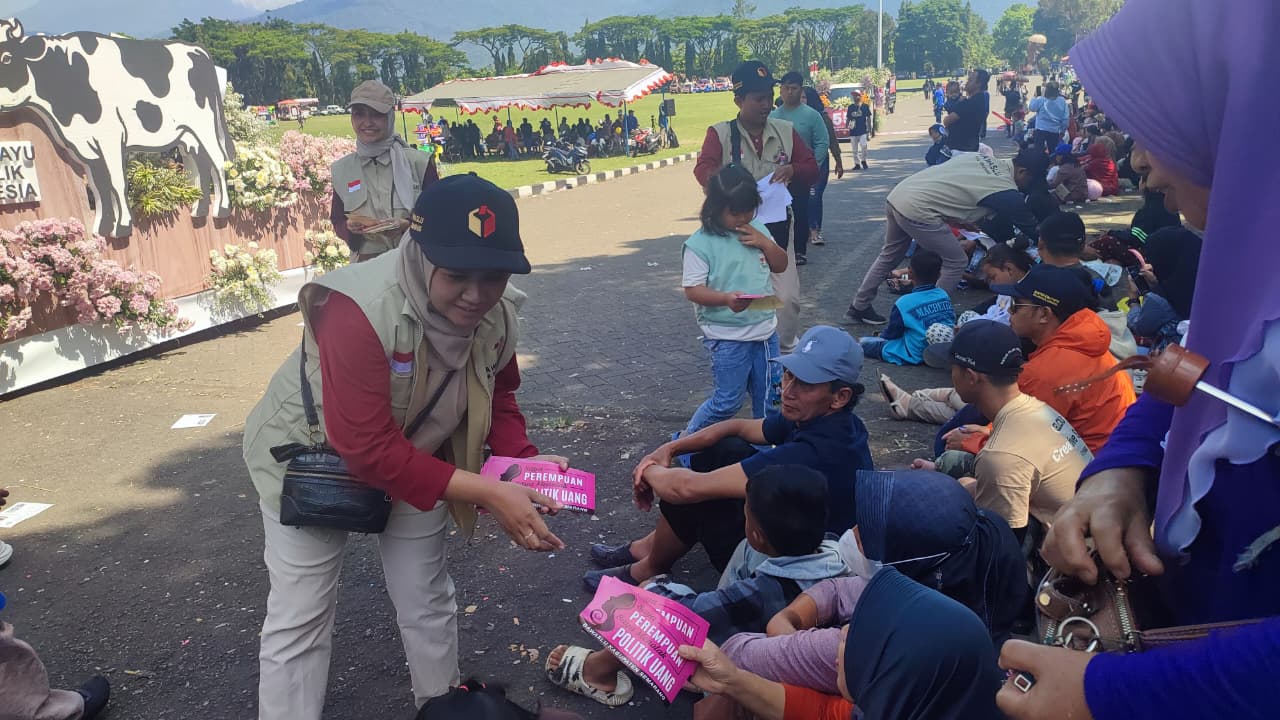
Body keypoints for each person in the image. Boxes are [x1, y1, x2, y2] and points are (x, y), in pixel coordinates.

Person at [999, 3, 1280, 718]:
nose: (1143, 167)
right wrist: (1123, 468)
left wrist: (1107, 694)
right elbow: (1198, 370)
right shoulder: (1251, 257)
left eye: (1157, 127)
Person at [243, 175, 571, 720]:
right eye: (457, 276)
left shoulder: (498, 311)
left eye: (492, 277)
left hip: (419, 457)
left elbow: (501, 390)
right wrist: (489, 491)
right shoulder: (356, 310)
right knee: (300, 617)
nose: (475, 295)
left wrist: (521, 461)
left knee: (427, 600)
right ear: (419, 256)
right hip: (309, 460)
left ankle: (444, 713)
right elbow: (366, 449)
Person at [585, 325, 873, 590]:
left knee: (701, 492)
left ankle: (648, 567)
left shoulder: (818, 452)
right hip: (795, 530)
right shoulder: (825, 418)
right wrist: (670, 449)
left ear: (840, 396)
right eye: (788, 375)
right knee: (724, 450)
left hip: (803, 568)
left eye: (805, 384)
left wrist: (647, 469)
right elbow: (738, 427)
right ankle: (648, 547)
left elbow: (686, 488)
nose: (788, 390)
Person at [545, 465, 848, 707]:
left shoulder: (766, 593)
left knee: (657, 613)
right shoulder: (830, 551)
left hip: (744, 668)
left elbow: (691, 612)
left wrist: (654, 586)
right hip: (772, 633)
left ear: (757, 533)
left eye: (746, 511)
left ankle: (598, 671)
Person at [721, 468, 1028, 695]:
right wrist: (790, 616)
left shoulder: (874, 644)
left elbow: (737, 654)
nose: (852, 533)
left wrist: (787, 633)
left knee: (729, 692)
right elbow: (842, 590)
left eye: (866, 536)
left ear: (907, 565)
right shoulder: (951, 590)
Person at [680, 567, 1005, 720]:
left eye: (865, 640)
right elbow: (822, 712)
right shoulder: (912, 705)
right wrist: (733, 681)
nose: (845, 631)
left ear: (888, 688)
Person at [910, 320, 1092, 540]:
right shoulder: (1038, 410)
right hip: (1084, 525)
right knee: (963, 483)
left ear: (970, 377)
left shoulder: (1000, 455)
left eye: (953, 368)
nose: (951, 375)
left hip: (1066, 558)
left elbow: (1001, 549)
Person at [694, 60, 819, 353]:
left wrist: (793, 170)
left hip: (776, 228)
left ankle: (784, 352)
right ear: (738, 100)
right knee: (739, 295)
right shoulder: (720, 133)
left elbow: (811, 166)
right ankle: (741, 350)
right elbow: (703, 169)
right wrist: (730, 185)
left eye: (768, 96)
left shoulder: (785, 131)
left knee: (787, 299)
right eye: (758, 99)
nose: (766, 105)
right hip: (734, 231)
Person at [843, 149, 1047, 324]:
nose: (1025, 187)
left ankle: (859, 305)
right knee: (956, 261)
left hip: (899, 195)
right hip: (918, 209)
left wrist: (957, 221)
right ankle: (928, 318)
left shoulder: (979, 157)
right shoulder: (1005, 188)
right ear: (1022, 172)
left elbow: (949, 187)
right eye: (1029, 182)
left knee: (889, 254)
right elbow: (1030, 227)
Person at [680, 165, 788, 436]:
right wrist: (725, 298)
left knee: (771, 402)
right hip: (727, 337)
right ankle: (685, 444)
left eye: (748, 210)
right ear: (715, 208)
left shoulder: (757, 229)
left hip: (765, 334)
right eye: (735, 212)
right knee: (727, 402)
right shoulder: (700, 244)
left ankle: (766, 450)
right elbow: (693, 290)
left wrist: (766, 243)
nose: (743, 218)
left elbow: (781, 265)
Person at [992, 263, 1136, 453]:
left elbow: (1020, 441)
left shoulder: (1047, 370)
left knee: (957, 455)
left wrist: (973, 440)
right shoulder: (1083, 343)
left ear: (1044, 314)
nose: (1010, 311)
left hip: (1087, 470)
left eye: (1016, 305)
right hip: (1106, 458)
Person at [329, 80, 438, 262]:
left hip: (416, 262)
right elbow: (337, 219)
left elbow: (440, 214)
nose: (367, 123)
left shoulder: (419, 163)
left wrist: (408, 225)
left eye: (376, 115)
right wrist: (349, 227)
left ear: (390, 117)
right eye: (359, 114)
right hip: (366, 268)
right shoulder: (342, 169)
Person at [771, 71, 829, 266]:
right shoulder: (773, 116)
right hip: (778, 174)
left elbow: (822, 142)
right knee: (779, 213)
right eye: (785, 88)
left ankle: (799, 250)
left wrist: (814, 165)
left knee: (801, 211)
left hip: (801, 172)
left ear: (800, 90)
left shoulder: (811, 115)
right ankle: (779, 248)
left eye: (793, 88)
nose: (789, 92)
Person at [858, 250, 954, 365]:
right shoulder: (943, 294)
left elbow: (892, 333)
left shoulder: (904, 302)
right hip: (942, 348)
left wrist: (881, 336)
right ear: (939, 275)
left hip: (915, 352)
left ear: (910, 273)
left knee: (864, 343)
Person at [1126, 227, 1201, 350]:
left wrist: (1133, 299)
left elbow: (1140, 327)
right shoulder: (1206, 282)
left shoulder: (1160, 299)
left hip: (1173, 358)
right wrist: (1155, 285)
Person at [802, 86, 844, 247]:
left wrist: (839, 162)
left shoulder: (822, 117)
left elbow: (831, 140)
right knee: (802, 198)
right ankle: (804, 229)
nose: (801, 101)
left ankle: (815, 231)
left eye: (804, 98)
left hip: (819, 162)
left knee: (814, 196)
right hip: (800, 163)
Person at [943, 69, 990, 153]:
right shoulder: (980, 99)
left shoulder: (969, 103)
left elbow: (947, 121)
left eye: (970, 80)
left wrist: (959, 104)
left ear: (978, 84)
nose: (967, 82)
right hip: (970, 146)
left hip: (960, 149)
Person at [1028, 82, 1070, 154]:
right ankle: (1052, 164)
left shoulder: (1041, 99)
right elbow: (1065, 119)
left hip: (1041, 130)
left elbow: (1031, 108)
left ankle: (1039, 164)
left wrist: (1035, 97)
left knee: (1038, 151)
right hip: (1054, 131)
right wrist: (1062, 131)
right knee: (1053, 151)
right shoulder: (1062, 101)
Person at [845, 90, 873, 170]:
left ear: (860, 96)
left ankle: (863, 160)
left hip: (862, 131)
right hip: (853, 131)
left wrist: (869, 129)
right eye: (854, 95)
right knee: (854, 149)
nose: (855, 97)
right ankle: (857, 164)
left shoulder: (865, 106)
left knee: (864, 146)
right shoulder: (851, 107)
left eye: (857, 95)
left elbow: (868, 118)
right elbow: (848, 118)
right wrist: (846, 126)